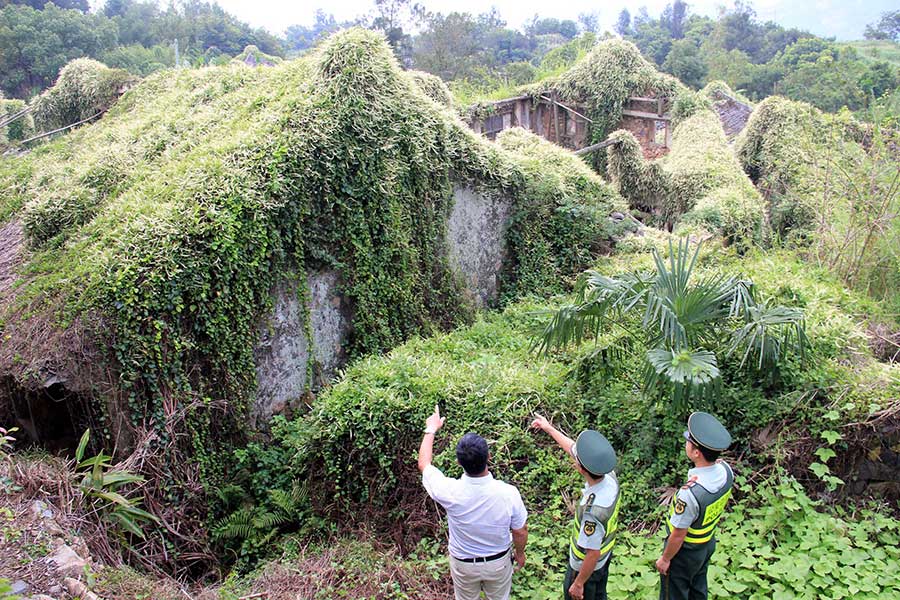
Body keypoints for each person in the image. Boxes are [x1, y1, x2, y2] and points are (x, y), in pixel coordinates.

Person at [417, 405, 528, 600]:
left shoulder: (450, 491)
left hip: (463, 564)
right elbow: (519, 531)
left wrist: (431, 429)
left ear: (459, 462)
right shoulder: (508, 493)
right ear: (489, 458)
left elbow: (424, 464)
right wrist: (520, 553)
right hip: (498, 563)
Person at [531, 414, 621, 600]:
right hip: (604, 559)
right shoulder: (609, 475)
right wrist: (548, 428)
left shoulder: (593, 511)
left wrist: (579, 583)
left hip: (585, 568)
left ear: (580, 469)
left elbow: (592, 553)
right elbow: (573, 448)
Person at [656, 411, 734, 600]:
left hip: (685, 553)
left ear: (696, 452)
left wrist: (665, 559)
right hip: (707, 544)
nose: (686, 444)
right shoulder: (726, 471)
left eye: (688, 441)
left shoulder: (690, 494)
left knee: (674, 593)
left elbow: (678, 534)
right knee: (698, 588)